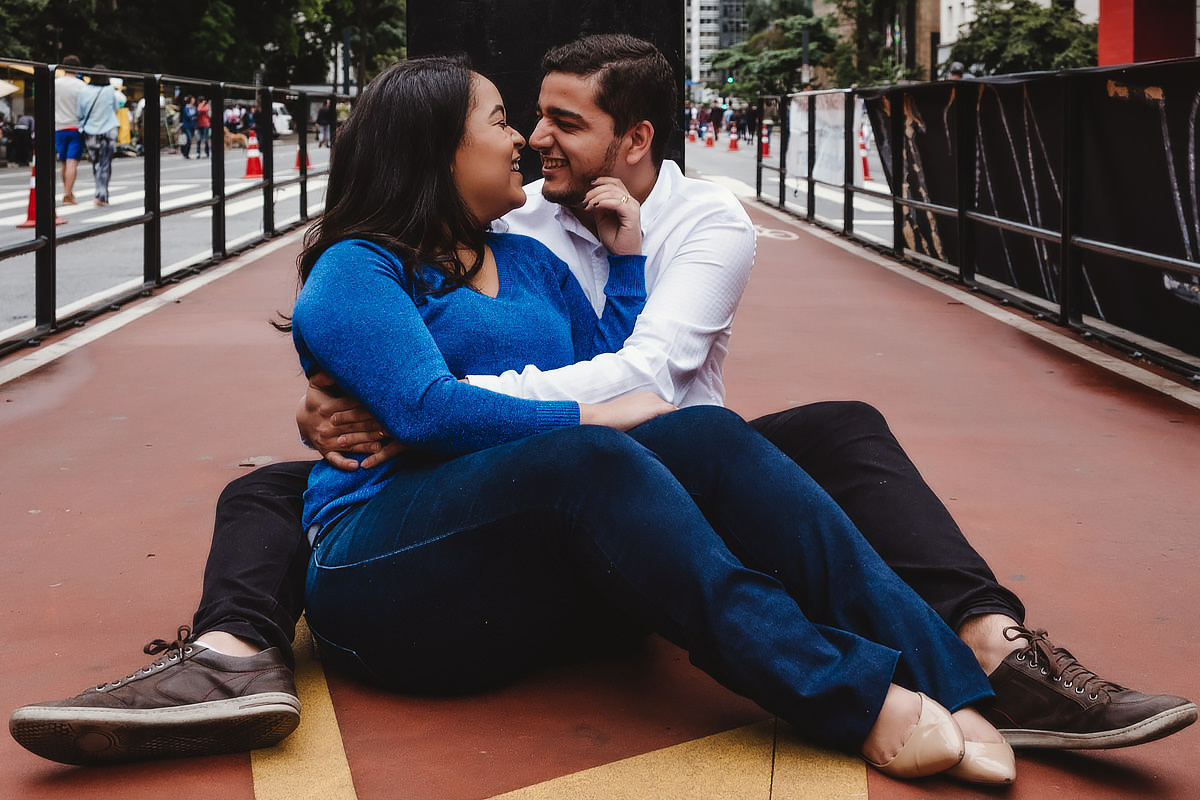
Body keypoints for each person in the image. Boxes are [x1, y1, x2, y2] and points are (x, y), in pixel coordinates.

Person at [11, 34, 1194, 765]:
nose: (526, 139)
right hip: (413, 555)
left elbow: (637, 365)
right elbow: (429, 406)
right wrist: (533, 415)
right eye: (503, 121)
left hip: (590, 500)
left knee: (720, 434)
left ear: (632, 136)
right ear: (434, 149)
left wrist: (621, 268)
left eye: (551, 123)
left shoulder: (617, 238)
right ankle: (853, 691)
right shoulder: (366, 266)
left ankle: (970, 672)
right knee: (569, 456)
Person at [77, 66, 124, 207]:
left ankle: (100, 192)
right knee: (105, 163)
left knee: (96, 163)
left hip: (91, 130)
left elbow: (79, 113)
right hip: (109, 129)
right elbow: (116, 106)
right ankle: (102, 194)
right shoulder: (110, 90)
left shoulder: (83, 91)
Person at [54, 55, 86, 205]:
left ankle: (68, 192)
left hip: (58, 127)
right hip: (75, 127)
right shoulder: (81, 86)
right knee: (72, 161)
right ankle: (68, 194)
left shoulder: (55, 83)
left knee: (63, 162)